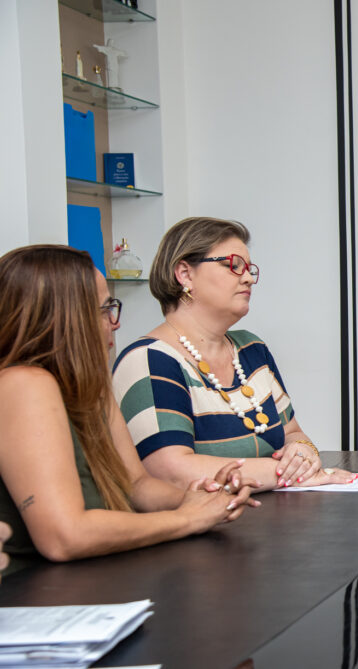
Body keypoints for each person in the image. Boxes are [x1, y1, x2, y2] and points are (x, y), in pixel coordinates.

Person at [0, 245, 257, 575]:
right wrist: (185, 518)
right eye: (105, 308)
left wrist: (203, 498)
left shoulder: (91, 386)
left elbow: (135, 486)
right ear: (66, 318)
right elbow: (63, 537)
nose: (114, 323)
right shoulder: (23, 384)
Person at [112, 218, 354, 490]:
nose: (249, 278)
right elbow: (170, 471)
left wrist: (303, 452)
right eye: (234, 265)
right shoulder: (149, 359)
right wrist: (285, 474)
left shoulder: (252, 349)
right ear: (185, 274)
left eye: (249, 269)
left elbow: (292, 432)